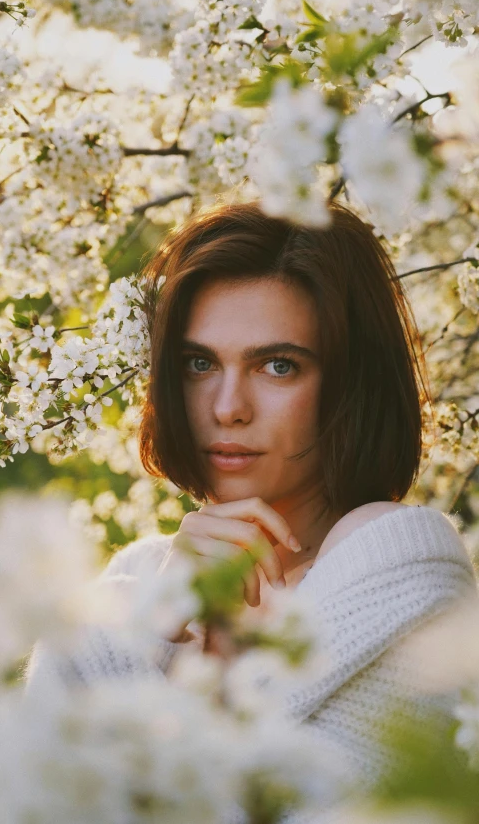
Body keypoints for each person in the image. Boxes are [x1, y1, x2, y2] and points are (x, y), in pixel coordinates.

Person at [24, 199, 478, 812]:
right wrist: (152, 623)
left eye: (278, 365)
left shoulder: (398, 584)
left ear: (351, 385)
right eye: (199, 363)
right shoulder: (131, 589)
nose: (228, 406)